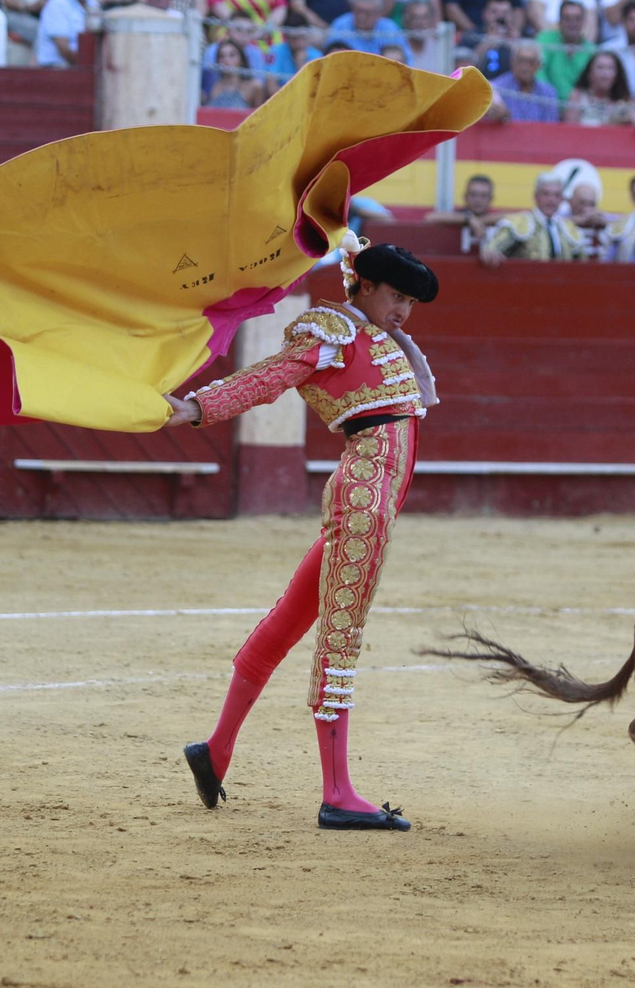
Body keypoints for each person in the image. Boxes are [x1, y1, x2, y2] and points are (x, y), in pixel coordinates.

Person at [174, 241, 439, 833]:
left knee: (289, 620)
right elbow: (270, 378)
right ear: (363, 285)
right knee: (340, 632)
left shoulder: (363, 331)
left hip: (371, 496)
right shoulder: (331, 330)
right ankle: (338, 793)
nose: (403, 311)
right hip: (366, 496)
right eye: (396, 296)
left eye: (410, 302)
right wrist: (197, 407)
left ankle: (214, 749)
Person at [480, 173, 588, 264]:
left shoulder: (570, 229)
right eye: (546, 194)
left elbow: (583, 266)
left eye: (556, 195)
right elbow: (491, 249)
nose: (551, 200)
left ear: (561, 199)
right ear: (536, 196)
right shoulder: (518, 223)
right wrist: (490, 254)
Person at [36, 0, 101, 66]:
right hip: (56, 68)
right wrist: (90, 65)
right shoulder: (57, 4)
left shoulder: (94, 4)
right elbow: (64, 51)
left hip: (81, 67)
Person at [565, 51, 635, 128]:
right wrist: (611, 123)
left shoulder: (625, 101)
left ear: (617, 74)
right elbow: (570, 132)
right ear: (589, 73)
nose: (605, 74)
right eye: (600, 68)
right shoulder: (578, 97)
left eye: (610, 68)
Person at [425, 173, 506, 251]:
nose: (478, 200)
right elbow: (429, 218)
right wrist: (468, 219)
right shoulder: (458, 217)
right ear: (465, 197)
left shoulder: (497, 220)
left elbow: (514, 217)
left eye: (483, 196)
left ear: (490, 199)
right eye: (473, 194)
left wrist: (478, 220)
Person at [488, 39, 562, 121]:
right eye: (521, 61)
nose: (525, 67)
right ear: (512, 62)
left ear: (538, 65)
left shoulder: (548, 93)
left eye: (530, 62)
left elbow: (551, 128)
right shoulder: (496, 88)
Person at [538, 0, 597, 98]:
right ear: (559, 21)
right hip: (545, 102)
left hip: (578, 107)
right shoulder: (545, 40)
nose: (572, 23)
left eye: (577, 19)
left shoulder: (592, 52)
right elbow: (538, 73)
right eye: (567, 18)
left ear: (584, 22)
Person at [329, 0, 408, 52]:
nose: (361, 17)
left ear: (378, 14)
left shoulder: (389, 28)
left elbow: (405, 58)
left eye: (367, 13)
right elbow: (329, 58)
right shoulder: (340, 25)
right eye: (358, 11)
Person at [469, 0, 520, 78]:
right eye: (494, 12)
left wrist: (515, 43)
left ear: (512, 15)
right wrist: (489, 41)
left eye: (505, 13)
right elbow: (464, 68)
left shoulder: (519, 38)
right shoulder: (472, 36)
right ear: (484, 14)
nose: (500, 16)